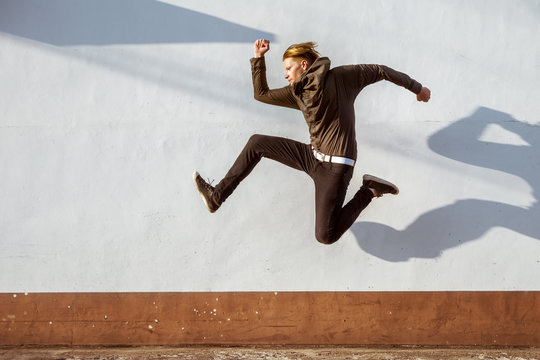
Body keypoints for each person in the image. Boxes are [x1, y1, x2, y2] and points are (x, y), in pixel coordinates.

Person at [193, 39, 431, 245]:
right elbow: (261, 94)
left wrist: (417, 88)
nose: (286, 74)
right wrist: (258, 58)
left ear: (304, 65)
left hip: (336, 168)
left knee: (325, 236)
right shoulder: (296, 92)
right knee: (257, 143)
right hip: (312, 157)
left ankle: (370, 190)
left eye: (288, 68)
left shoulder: (342, 77)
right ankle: (216, 198)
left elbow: (380, 70)